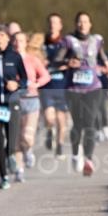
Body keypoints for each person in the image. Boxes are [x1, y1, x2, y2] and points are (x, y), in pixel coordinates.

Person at [63, 11, 108, 177]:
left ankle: (89, 159)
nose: (82, 25)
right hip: (73, 89)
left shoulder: (97, 40)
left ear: (90, 24)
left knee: (90, 122)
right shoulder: (69, 41)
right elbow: (57, 59)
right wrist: (68, 62)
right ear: (75, 24)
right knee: (78, 124)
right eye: (79, 22)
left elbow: (102, 55)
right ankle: (76, 153)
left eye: (85, 22)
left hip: (93, 87)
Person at [0, 24, 28, 189]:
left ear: (8, 38)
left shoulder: (15, 56)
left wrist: (17, 84)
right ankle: (3, 177)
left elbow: (25, 80)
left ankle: (11, 154)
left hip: (12, 103)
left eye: (2, 35)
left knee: (12, 140)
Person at [13, 32, 50, 182]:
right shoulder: (7, 60)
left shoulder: (32, 60)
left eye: (20, 40)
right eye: (14, 40)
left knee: (27, 136)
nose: (17, 43)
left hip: (31, 100)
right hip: (14, 102)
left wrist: (36, 84)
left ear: (26, 42)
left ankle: (28, 150)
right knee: (15, 138)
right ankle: (19, 169)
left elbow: (46, 76)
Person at [40, 13, 70, 159]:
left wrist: (65, 65)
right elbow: (36, 59)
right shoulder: (42, 43)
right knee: (49, 118)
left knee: (61, 120)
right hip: (47, 87)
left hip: (62, 87)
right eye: (51, 22)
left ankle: (59, 147)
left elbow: (72, 62)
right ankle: (49, 131)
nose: (53, 25)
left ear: (60, 25)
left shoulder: (66, 43)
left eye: (56, 22)